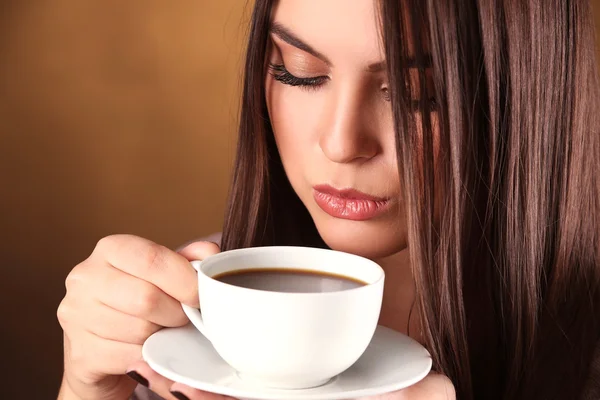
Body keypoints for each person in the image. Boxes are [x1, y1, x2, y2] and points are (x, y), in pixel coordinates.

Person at [56, 0, 600, 399]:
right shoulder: (193, 315)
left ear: (532, 95)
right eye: (299, 73)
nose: (341, 144)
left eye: (417, 94)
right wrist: (86, 391)